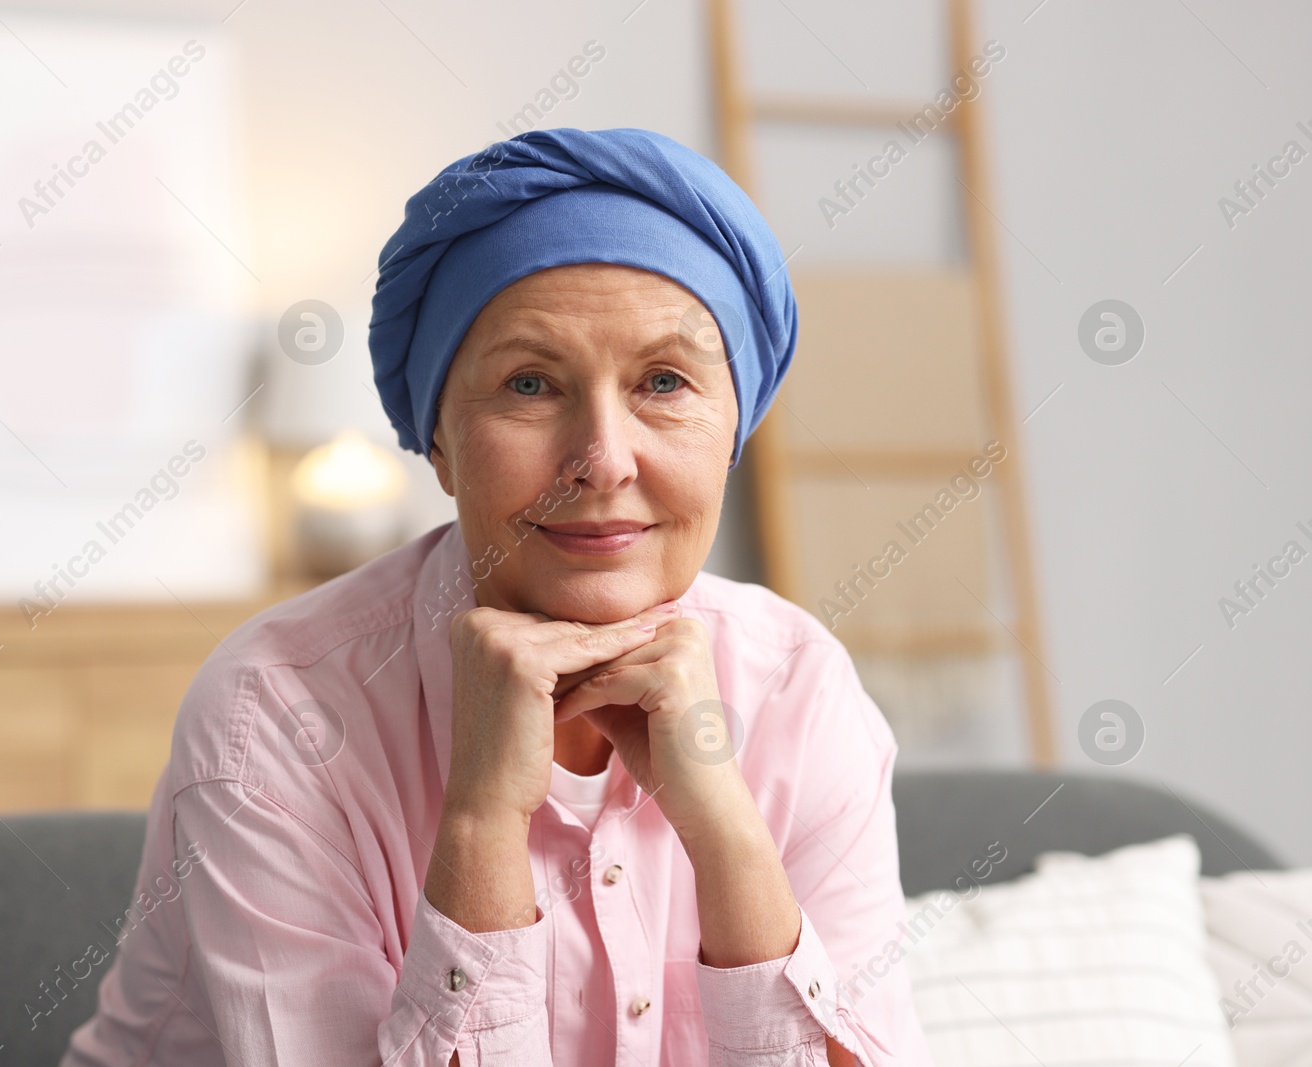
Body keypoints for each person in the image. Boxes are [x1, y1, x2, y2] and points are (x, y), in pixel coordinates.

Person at [61, 127, 934, 1066]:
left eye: (665, 381)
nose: (602, 459)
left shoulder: (800, 687)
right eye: (530, 383)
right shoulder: (274, 712)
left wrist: (726, 832)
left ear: (733, 431)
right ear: (437, 439)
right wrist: (480, 821)